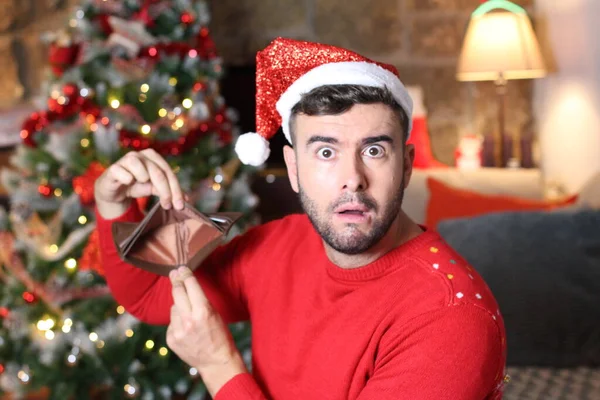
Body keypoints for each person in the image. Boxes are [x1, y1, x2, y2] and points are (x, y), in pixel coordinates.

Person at [94, 38, 507, 399]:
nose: (353, 180)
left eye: (375, 150)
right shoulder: (278, 243)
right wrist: (112, 203)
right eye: (326, 152)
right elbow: (147, 294)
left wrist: (218, 365)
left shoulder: (450, 316)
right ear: (292, 167)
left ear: (407, 165)